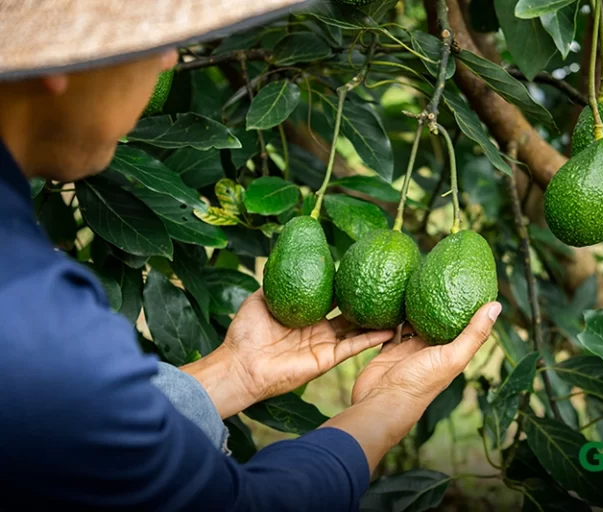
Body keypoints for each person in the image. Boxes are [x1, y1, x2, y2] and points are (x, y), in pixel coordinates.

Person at [0, 1, 502, 510]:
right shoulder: (28, 306)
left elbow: (72, 428)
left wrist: (237, 372)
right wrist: (393, 404)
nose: (171, 59)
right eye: (152, 38)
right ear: (67, 56)